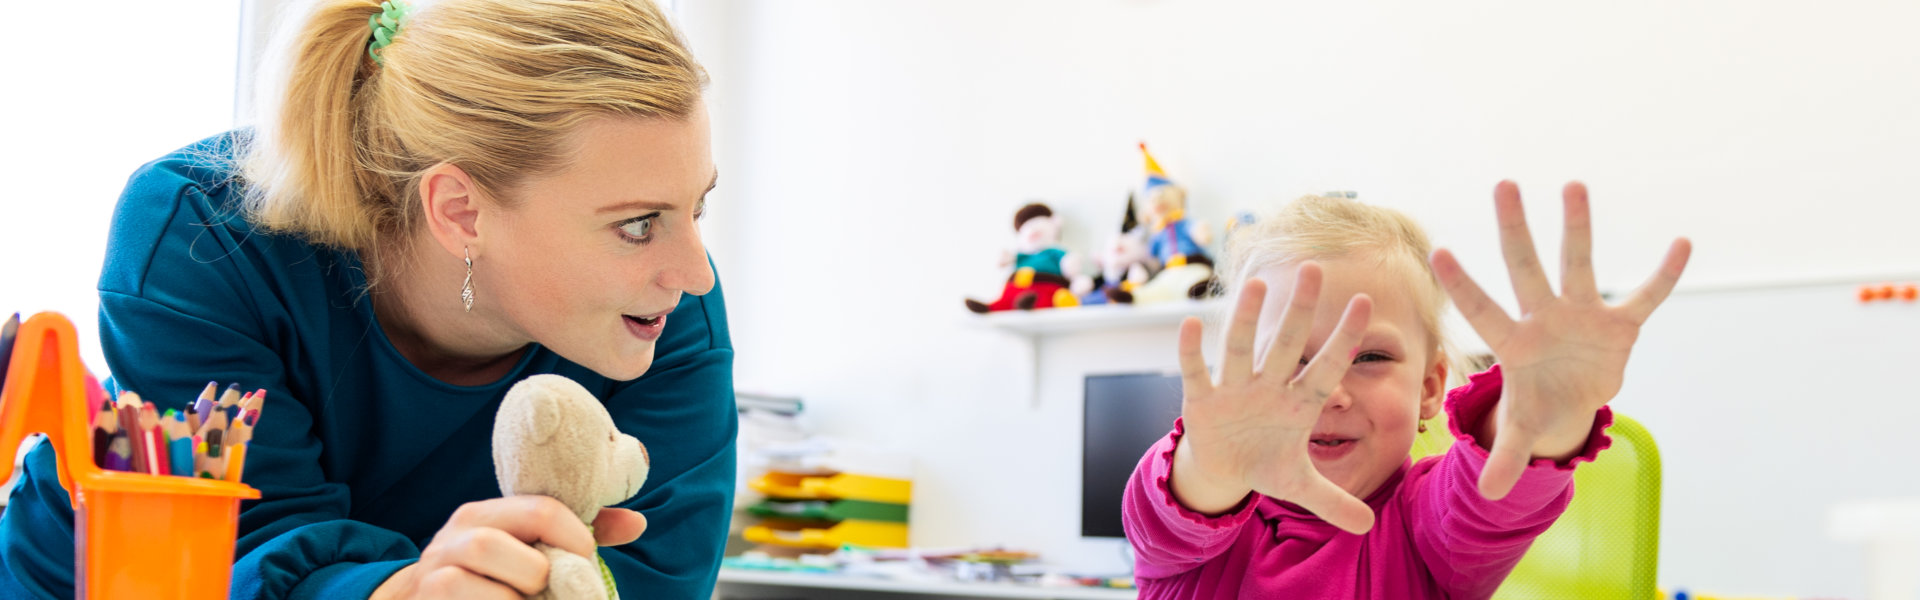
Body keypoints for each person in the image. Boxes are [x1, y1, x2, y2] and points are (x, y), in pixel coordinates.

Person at [0, 0, 734, 598]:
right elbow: (251, 549)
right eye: (637, 225)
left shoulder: (664, 311)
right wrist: (414, 589)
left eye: (694, 208)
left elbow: (655, 577)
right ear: (461, 212)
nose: (695, 274)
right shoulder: (199, 234)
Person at [1122, 182, 1691, 598]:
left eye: (1369, 357)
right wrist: (1217, 464)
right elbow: (1174, 506)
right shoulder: (1190, 536)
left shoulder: (1430, 529)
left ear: (1429, 387)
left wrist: (1540, 413)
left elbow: (1490, 493)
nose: (1329, 392)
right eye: (1284, 360)